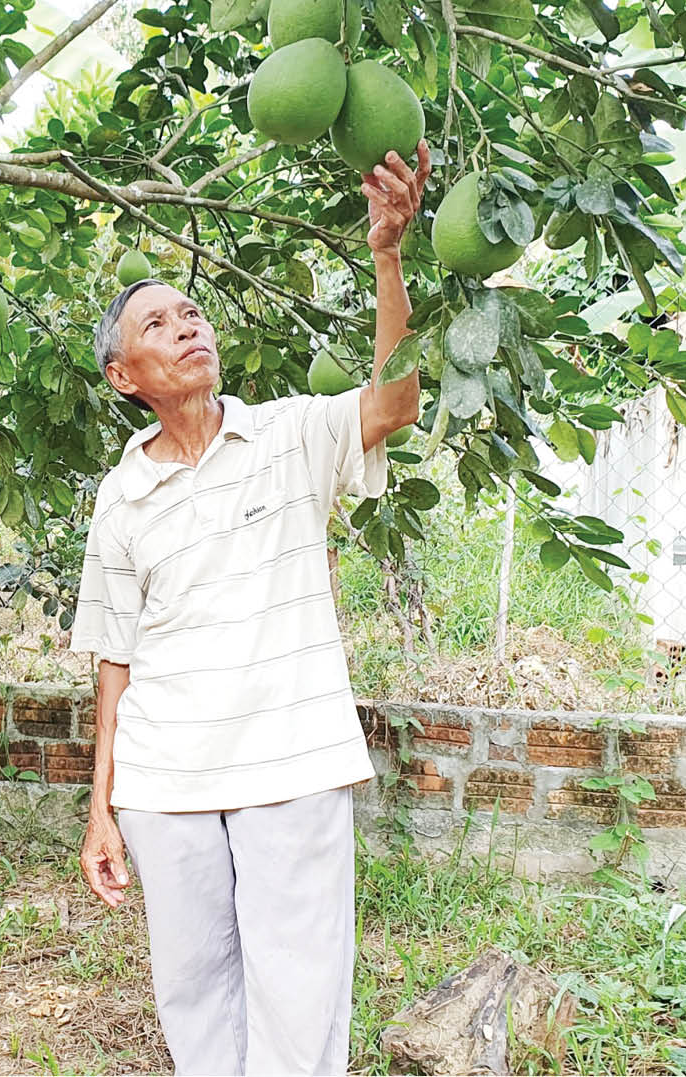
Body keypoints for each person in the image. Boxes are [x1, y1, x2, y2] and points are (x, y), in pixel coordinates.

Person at [72, 143, 432, 1075]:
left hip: (291, 762)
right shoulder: (120, 499)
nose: (186, 325)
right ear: (125, 375)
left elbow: (393, 403)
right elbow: (114, 658)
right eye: (158, 322)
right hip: (165, 782)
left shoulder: (289, 434)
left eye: (192, 312)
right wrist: (104, 805)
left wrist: (388, 254)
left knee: (300, 992)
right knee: (193, 995)